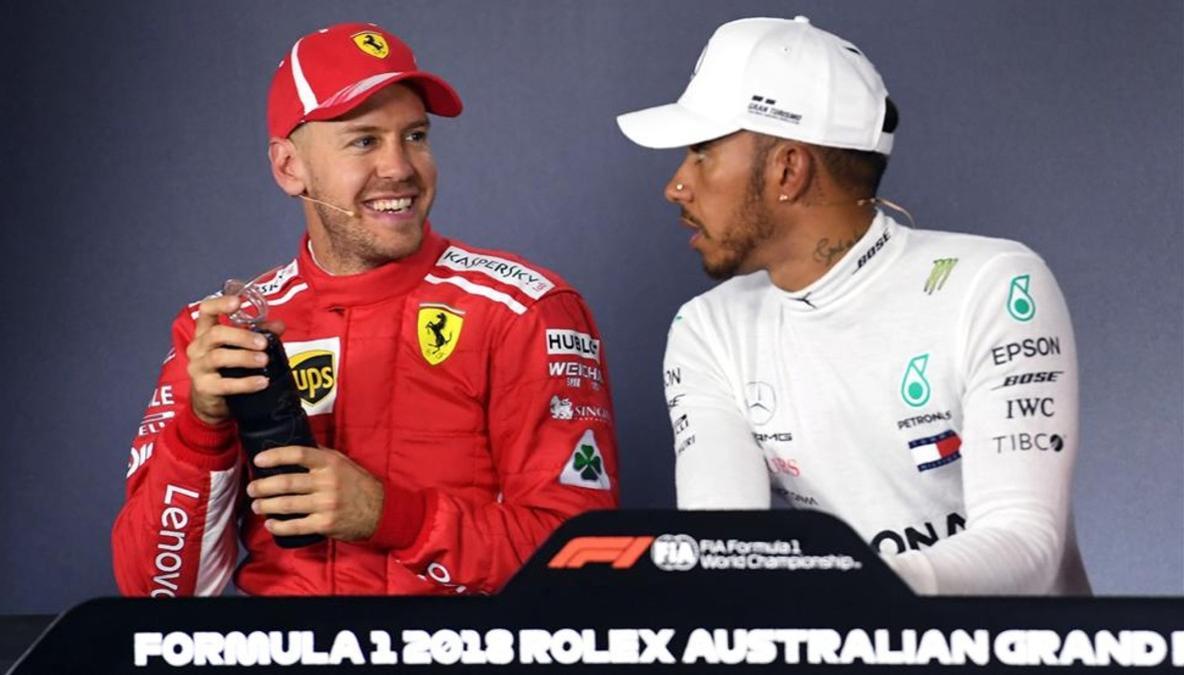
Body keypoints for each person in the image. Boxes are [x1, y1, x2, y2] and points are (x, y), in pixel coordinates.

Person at [113, 22, 618, 596]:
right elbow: (155, 592)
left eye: (416, 136)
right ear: (289, 167)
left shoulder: (524, 310)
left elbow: (583, 567)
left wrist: (391, 516)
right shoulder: (226, 332)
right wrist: (202, 426)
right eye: (364, 140)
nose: (401, 168)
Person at [617, 16, 1088, 595]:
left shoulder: (993, 284)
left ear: (787, 170)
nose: (676, 185)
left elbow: (1027, 546)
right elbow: (723, 550)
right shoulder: (707, 329)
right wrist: (843, 599)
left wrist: (848, 591)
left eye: (702, 152)